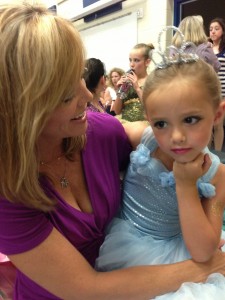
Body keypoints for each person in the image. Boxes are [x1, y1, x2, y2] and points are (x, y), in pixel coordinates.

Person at [1, 4, 225, 300]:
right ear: (25, 108)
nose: (86, 96)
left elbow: (161, 134)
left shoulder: (97, 131)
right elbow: (84, 288)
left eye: (80, 76)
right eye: (66, 94)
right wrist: (203, 268)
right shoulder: (9, 188)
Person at [96, 26, 225, 299]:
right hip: (126, 245)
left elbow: (203, 252)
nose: (176, 137)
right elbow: (102, 127)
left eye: (191, 119)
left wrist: (186, 184)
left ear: (217, 113)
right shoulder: (144, 139)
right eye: (162, 123)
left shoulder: (216, 173)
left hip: (180, 253)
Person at [113, 43, 154, 122]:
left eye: (136, 60)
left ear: (147, 62)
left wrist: (137, 88)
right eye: (130, 60)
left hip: (144, 125)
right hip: (125, 123)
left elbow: (152, 109)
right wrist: (119, 91)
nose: (131, 64)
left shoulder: (152, 81)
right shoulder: (127, 82)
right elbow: (117, 111)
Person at [209, 18, 225, 151]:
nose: (213, 31)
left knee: (218, 125)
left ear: (223, 31)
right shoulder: (205, 48)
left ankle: (218, 154)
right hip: (208, 92)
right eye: (210, 29)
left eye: (216, 28)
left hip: (223, 92)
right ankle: (206, 152)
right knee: (207, 124)